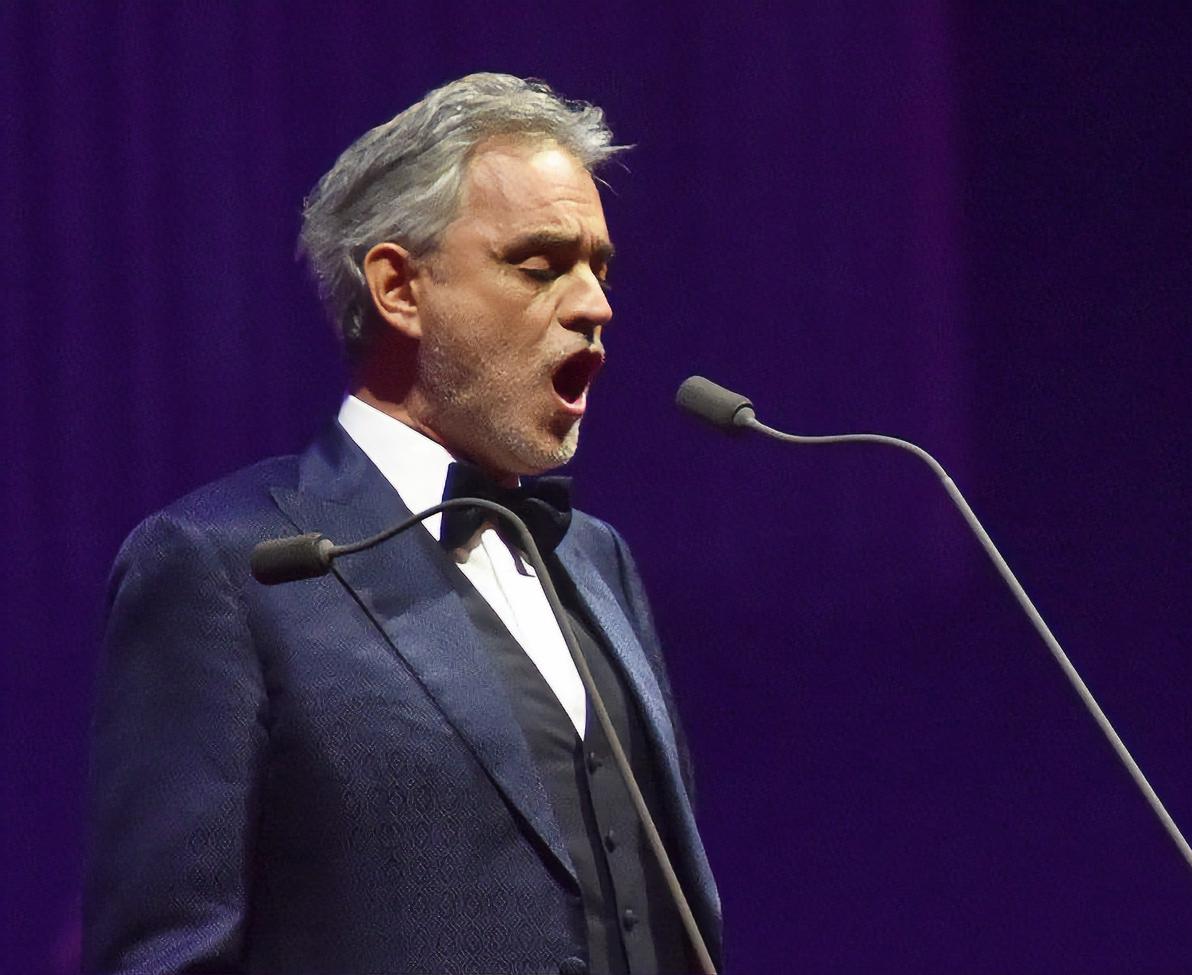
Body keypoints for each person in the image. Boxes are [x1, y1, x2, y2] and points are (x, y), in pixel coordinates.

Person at [83, 73, 721, 975]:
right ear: (398, 287)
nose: (595, 305)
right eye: (540, 265)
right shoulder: (227, 566)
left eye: (600, 268)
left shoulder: (594, 555)